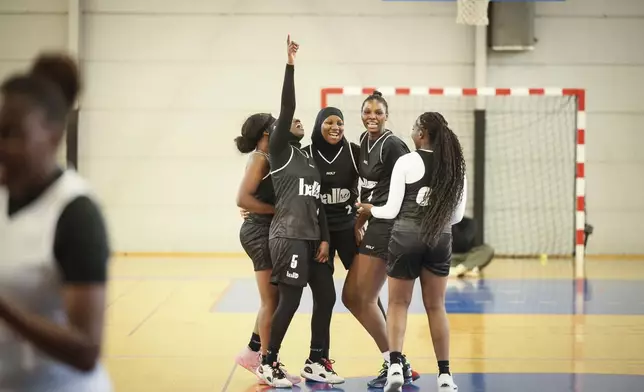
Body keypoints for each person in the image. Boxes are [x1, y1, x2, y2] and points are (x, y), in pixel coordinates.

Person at [0, 53, 113, 391]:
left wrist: (6, 311)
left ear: (52, 134)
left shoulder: (76, 212)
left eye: (11, 134)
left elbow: (85, 351)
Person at [357, 111, 467, 392]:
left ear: (421, 133)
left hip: (405, 236)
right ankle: (444, 376)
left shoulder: (407, 161)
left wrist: (371, 209)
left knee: (397, 304)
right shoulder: (456, 167)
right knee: (436, 306)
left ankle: (395, 365)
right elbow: (456, 217)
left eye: (414, 128)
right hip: (439, 238)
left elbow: (391, 210)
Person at [255, 36, 342, 388]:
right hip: (288, 236)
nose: (297, 121)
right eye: (291, 121)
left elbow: (316, 199)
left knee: (327, 296)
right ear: (276, 131)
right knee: (289, 302)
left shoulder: (307, 158)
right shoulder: (280, 151)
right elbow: (287, 106)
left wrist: (324, 238)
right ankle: (268, 361)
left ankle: (316, 360)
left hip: (311, 240)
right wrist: (290, 65)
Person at [341, 91, 419, 387]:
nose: (372, 116)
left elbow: (411, 187)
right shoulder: (363, 142)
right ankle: (397, 361)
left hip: (389, 227)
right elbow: (367, 191)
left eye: (377, 112)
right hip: (373, 224)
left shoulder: (394, 145)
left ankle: (396, 362)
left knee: (358, 297)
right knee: (354, 297)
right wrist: (359, 220)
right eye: (367, 111)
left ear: (386, 116)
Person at [233, 115, 303, 386]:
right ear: (266, 132)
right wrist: (278, 210)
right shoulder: (259, 158)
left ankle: (253, 351)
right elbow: (243, 199)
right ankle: (266, 362)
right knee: (271, 301)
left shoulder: (273, 156)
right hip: (259, 232)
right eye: (276, 122)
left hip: (269, 230)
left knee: (272, 298)